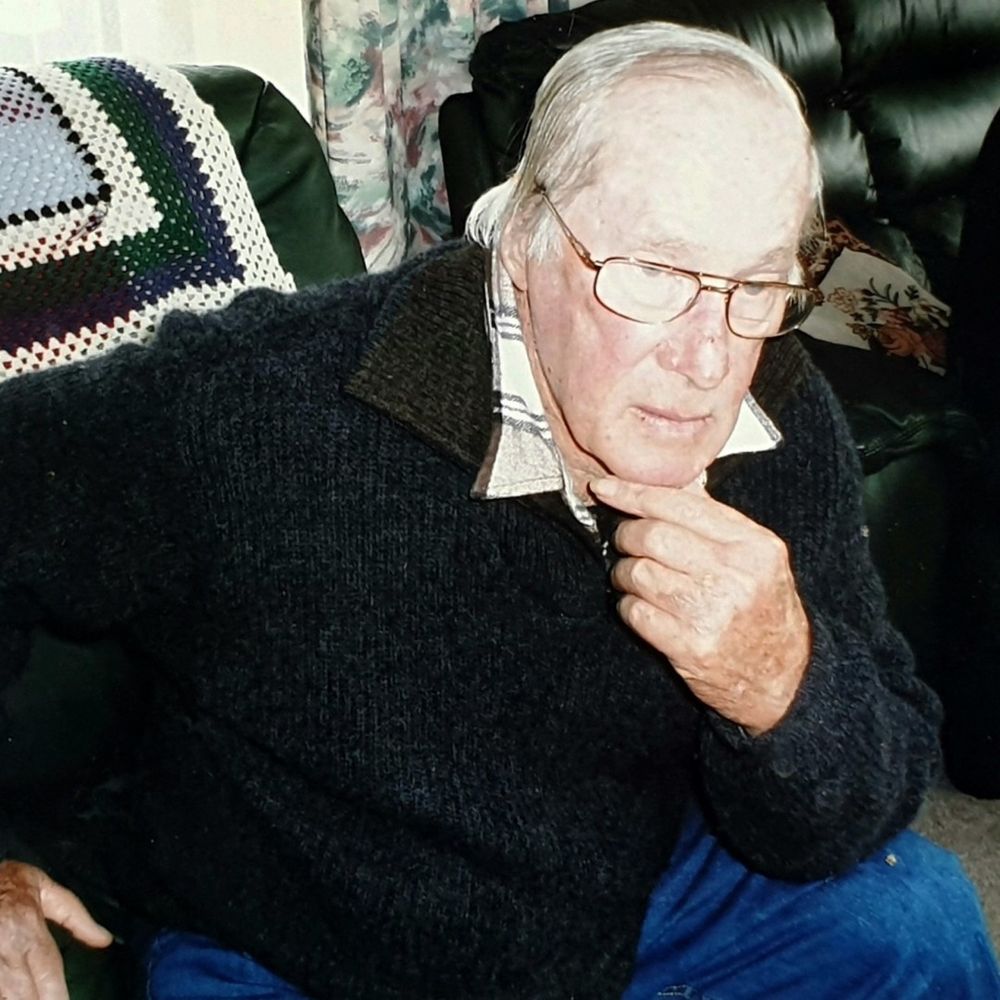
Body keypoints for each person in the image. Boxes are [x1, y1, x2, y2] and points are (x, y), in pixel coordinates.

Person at [1, 21, 998, 1000]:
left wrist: (781, 684)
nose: (709, 360)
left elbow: (856, 803)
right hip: (302, 942)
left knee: (918, 925)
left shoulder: (773, 405)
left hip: (631, 894)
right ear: (523, 238)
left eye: (755, 283)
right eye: (654, 274)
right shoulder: (258, 406)